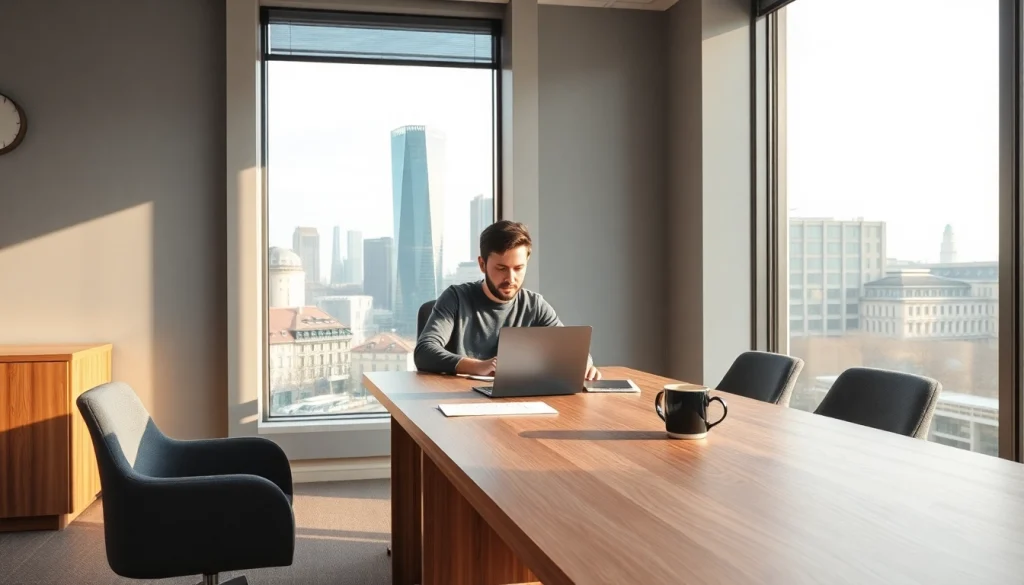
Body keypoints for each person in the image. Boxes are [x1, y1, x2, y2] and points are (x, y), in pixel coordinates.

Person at [414, 220, 601, 380]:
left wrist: (585, 364)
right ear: (482, 264)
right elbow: (424, 352)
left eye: (518, 268)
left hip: (517, 403)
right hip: (459, 400)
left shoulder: (534, 305)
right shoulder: (456, 298)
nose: (511, 278)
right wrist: (479, 366)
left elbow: (570, 348)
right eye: (501, 268)